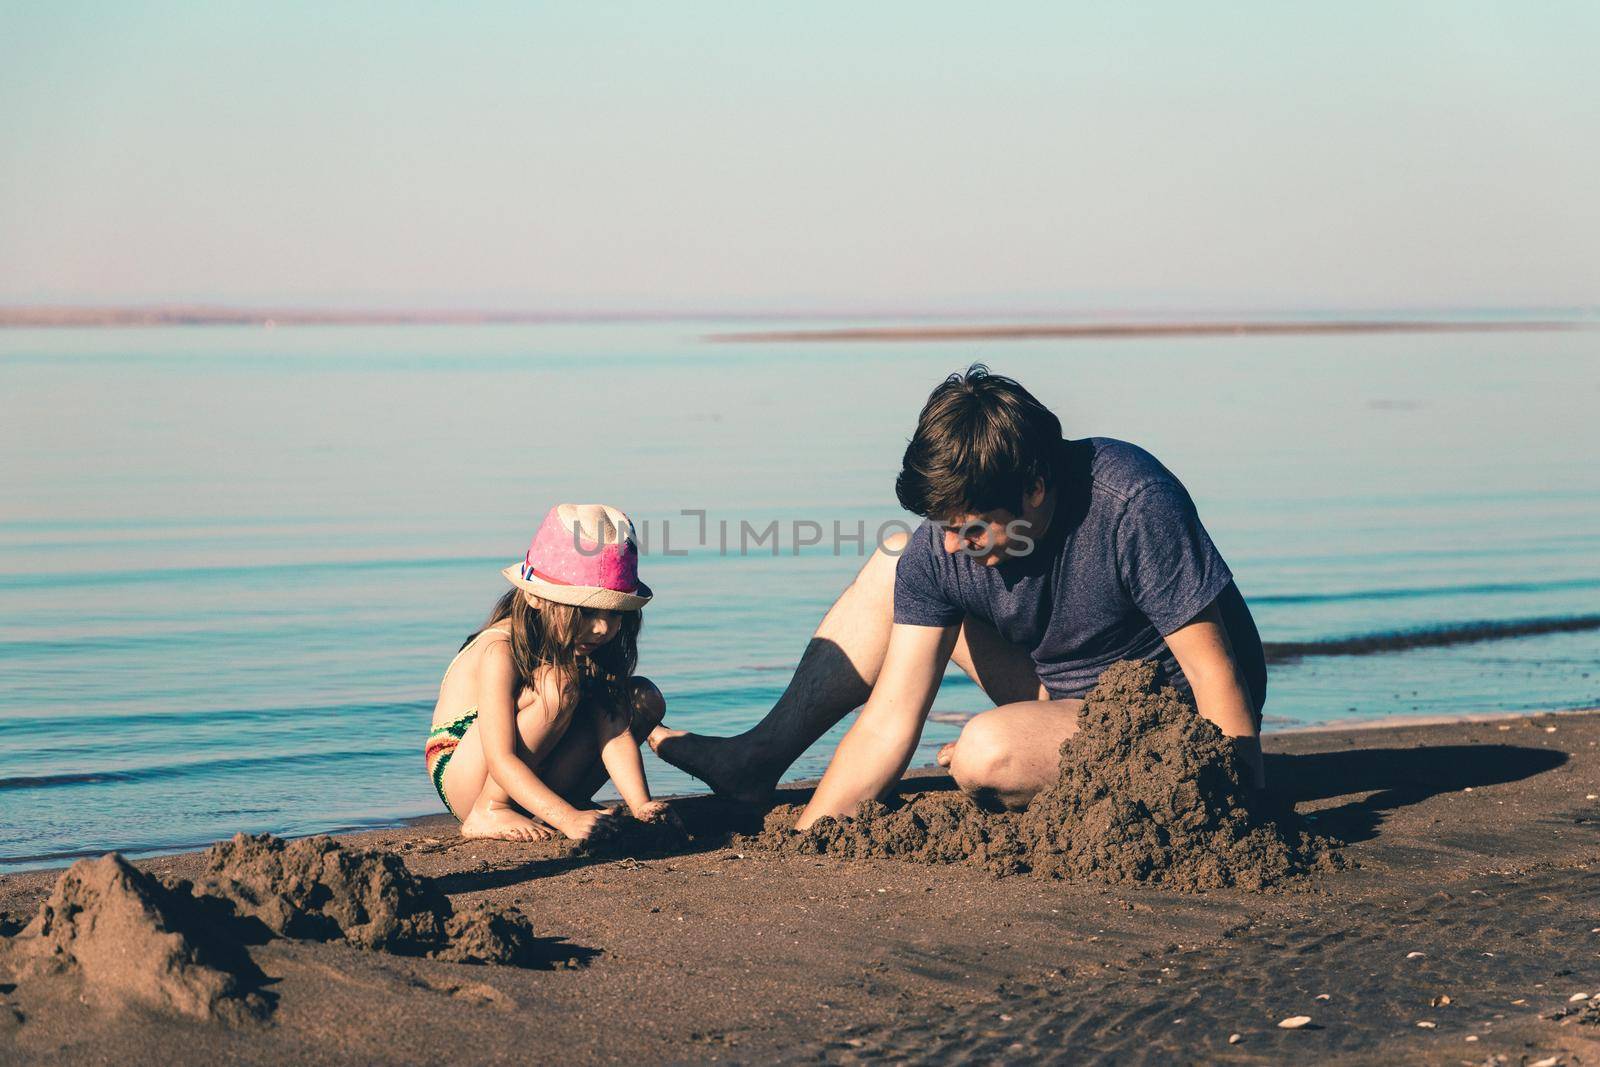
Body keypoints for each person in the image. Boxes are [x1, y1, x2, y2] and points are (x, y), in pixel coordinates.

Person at [653, 365, 1266, 830]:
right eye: (942, 524)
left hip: (1165, 718)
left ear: (1033, 487)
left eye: (969, 527)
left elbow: (1219, 675)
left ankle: (1022, 740)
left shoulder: (1132, 501)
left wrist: (1241, 808)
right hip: (1054, 689)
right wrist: (816, 827)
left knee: (984, 752)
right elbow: (891, 716)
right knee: (894, 564)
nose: (950, 545)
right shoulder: (941, 547)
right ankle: (756, 761)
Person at [426, 503, 676, 842]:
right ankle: (492, 811)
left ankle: (561, 802)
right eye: (587, 612)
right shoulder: (499, 647)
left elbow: (613, 731)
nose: (602, 628)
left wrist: (641, 805)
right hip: (466, 768)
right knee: (558, 685)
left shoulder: (592, 645)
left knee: (641, 698)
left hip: (530, 764)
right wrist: (569, 821)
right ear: (536, 598)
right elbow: (500, 758)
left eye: (615, 614)